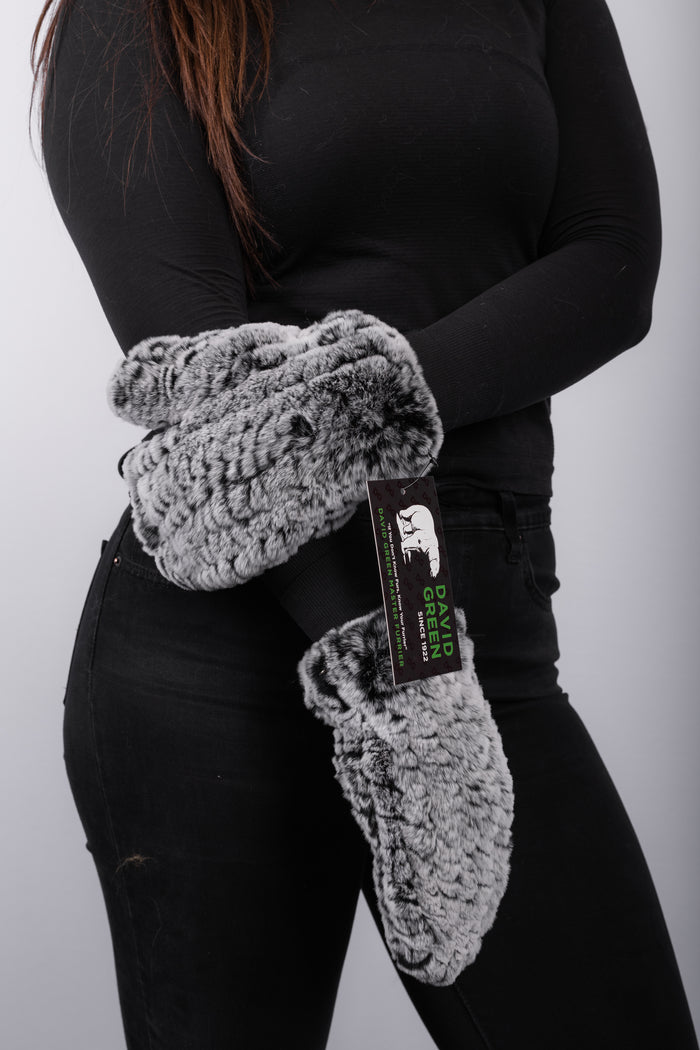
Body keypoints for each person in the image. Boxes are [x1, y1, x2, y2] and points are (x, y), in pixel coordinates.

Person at [30, 0, 699, 1047]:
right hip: (219, 649)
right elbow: (211, 386)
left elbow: (613, 261)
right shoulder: (134, 15)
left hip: (465, 596)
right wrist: (406, 686)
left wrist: (374, 396)